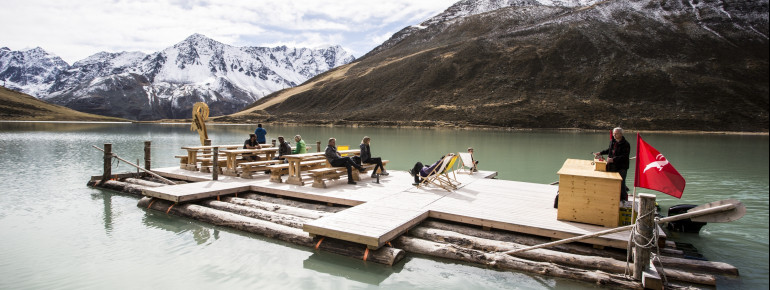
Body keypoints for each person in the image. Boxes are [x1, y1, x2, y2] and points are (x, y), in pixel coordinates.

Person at [594, 127, 630, 201]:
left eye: (616, 133)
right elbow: (609, 150)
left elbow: (624, 156)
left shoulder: (626, 144)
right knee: (612, 182)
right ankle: (614, 197)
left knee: (621, 183)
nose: (614, 135)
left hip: (622, 167)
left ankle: (624, 199)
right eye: (613, 133)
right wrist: (600, 152)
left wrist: (613, 159)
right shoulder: (612, 141)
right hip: (612, 166)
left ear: (621, 134)